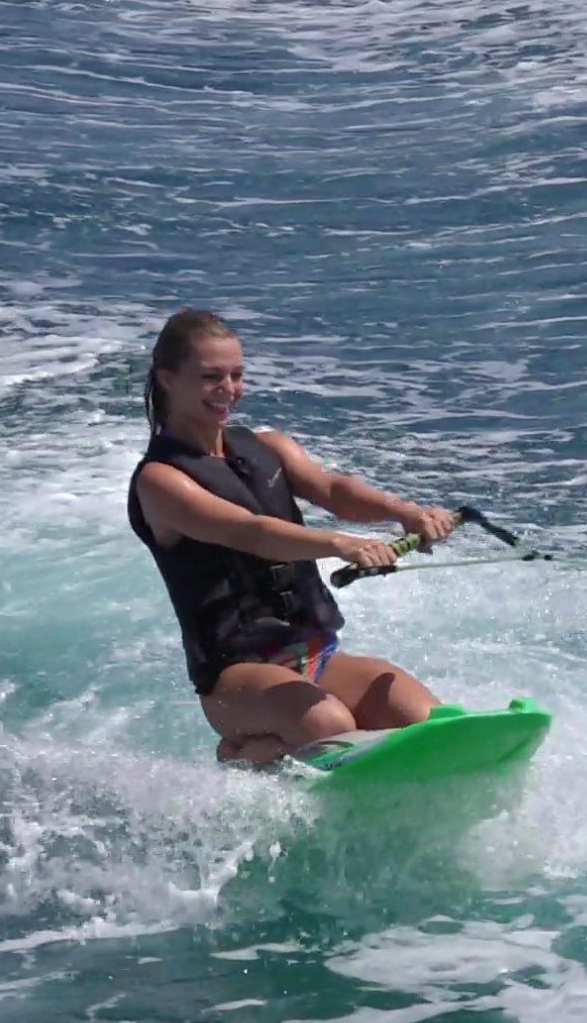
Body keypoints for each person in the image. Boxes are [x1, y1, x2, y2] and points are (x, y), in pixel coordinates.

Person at [127, 308, 457, 766]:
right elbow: (250, 531)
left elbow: (335, 490)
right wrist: (344, 545)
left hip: (316, 656)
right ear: (167, 378)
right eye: (210, 377)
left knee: (421, 718)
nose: (228, 390)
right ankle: (245, 752)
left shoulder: (268, 447)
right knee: (331, 727)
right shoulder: (161, 482)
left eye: (236, 375)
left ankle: (291, 749)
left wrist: (408, 514)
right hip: (236, 679)